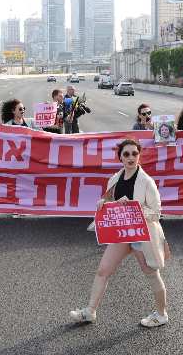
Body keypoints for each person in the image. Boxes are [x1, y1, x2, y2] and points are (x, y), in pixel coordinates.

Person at [70, 139, 170, 327]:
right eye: (126, 154)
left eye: (134, 153)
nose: (131, 157)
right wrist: (103, 203)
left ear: (139, 156)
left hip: (142, 233)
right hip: (122, 233)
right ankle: (90, 311)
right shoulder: (115, 178)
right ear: (120, 158)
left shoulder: (147, 182)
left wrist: (134, 207)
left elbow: (156, 213)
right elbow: (108, 200)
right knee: (103, 271)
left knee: (151, 273)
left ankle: (161, 314)